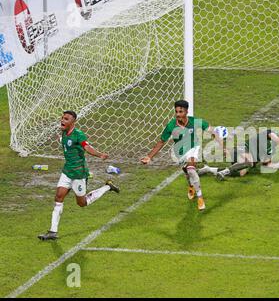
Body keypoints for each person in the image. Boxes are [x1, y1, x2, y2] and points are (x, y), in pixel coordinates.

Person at [38, 111, 120, 241]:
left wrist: (100, 155)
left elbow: (87, 147)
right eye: (62, 118)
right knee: (59, 197)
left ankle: (107, 187)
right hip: (67, 171)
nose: (62, 120)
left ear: (73, 122)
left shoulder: (79, 135)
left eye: (66, 119)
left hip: (79, 174)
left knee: (82, 203)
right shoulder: (64, 132)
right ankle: (53, 231)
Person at [140, 100, 223, 211]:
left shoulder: (195, 122)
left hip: (194, 148)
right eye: (176, 111)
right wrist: (149, 156)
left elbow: (213, 132)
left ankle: (200, 198)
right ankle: (191, 185)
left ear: (186, 111)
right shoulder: (171, 126)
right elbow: (161, 142)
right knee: (188, 171)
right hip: (180, 151)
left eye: (181, 111)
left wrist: (223, 146)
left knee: (191, 170)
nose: (178, 114)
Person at [200, 129, 279, 180]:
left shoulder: (272, 149)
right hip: (239, 151)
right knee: (250, 162)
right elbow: (277, 140)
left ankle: (209, 169)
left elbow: (266, 164)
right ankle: (223, 172)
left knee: (241, 173)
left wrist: (277, 165)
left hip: (244, 161)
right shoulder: (271, 133)